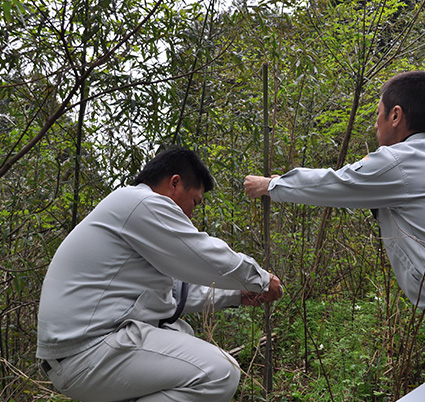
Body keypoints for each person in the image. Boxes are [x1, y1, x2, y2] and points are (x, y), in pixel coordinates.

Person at [244, 71, 425, 402]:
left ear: (396, 115)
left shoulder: (400, 161)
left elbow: (337, 183)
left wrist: (272, 186)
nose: (375, 124)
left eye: (377, 114)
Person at [37, 146, 283, 402]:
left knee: (180, 333)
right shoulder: (140, 203)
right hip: (86, 351)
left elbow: (174, 295)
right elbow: (203, 255)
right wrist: (261, 280)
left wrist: (238, 294)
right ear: (174, 183)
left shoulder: (131, 215)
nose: (191, 214)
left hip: (81, 353)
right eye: (194, 202)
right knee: (219, 373)